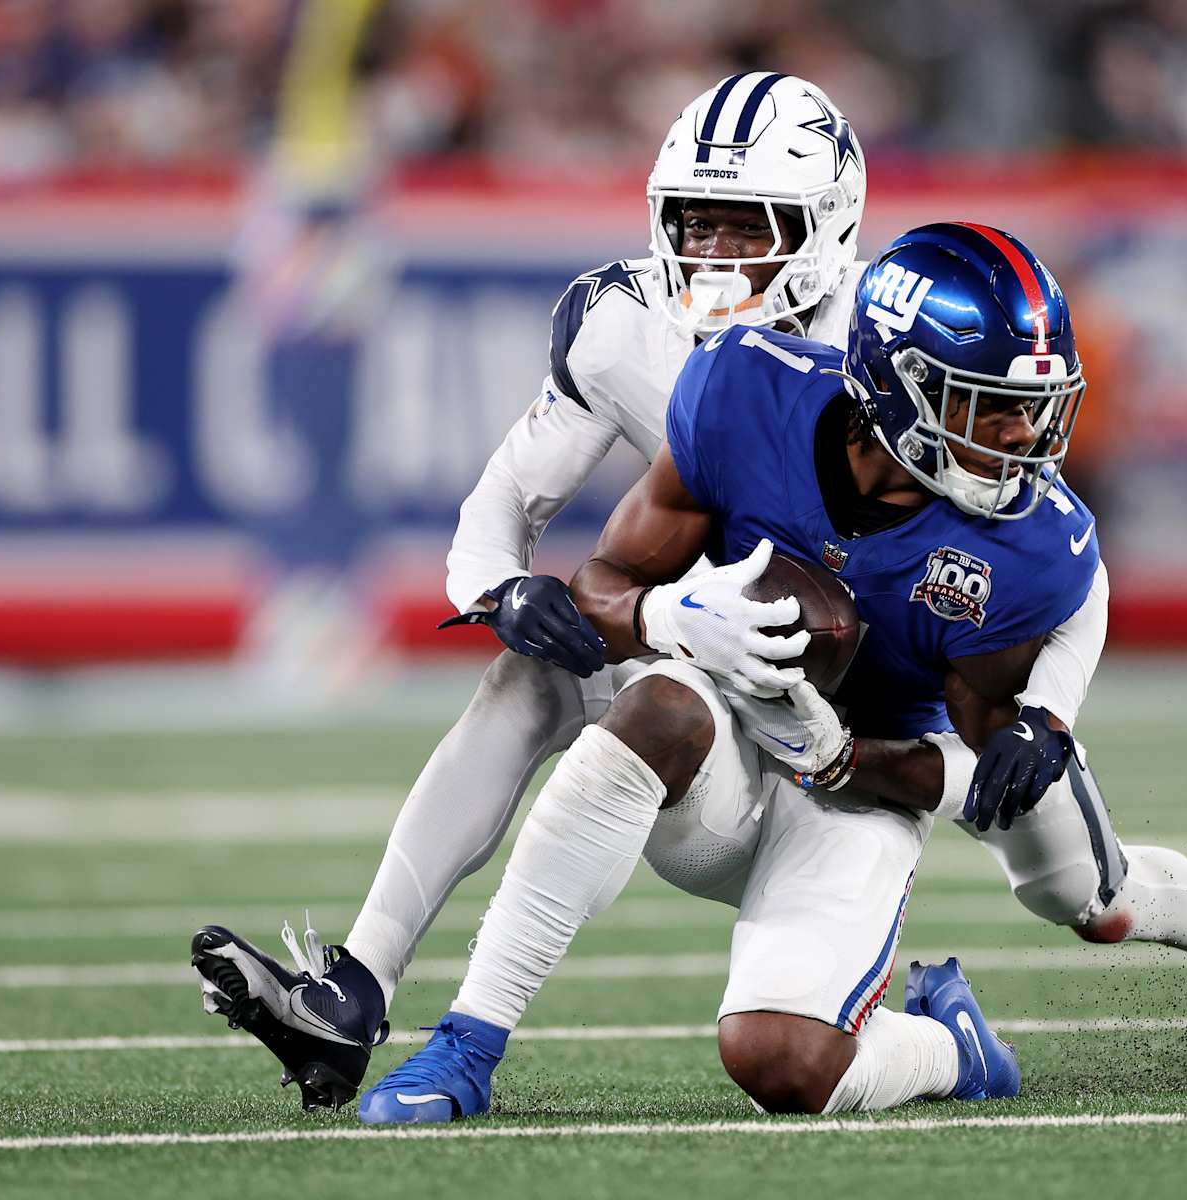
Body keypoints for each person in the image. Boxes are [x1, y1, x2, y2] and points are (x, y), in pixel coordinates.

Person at [350, 223, 1187, 1123]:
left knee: (1082, 902)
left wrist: (1008, 726)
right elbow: (606, 579)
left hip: (878, 778)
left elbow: (968, 763)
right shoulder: (744, 392)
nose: (1023, 437)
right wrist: (673, 615)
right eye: (987, 403)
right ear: (896, 387)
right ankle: (466, 1048)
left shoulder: (1027, 545)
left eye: (1032, 406)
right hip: (731, 742)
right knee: (657, 706)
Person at [190, 72, 870, 1110]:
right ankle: (353, 992)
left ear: (825, 228)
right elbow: (503, 498)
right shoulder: (622, 321)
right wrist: (502, 591)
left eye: (748, 228)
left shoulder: (890, 345)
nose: (714, 255)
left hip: (843, 745)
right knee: (529, 675)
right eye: (697, 223)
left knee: (830, 1034)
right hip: (694, 692)